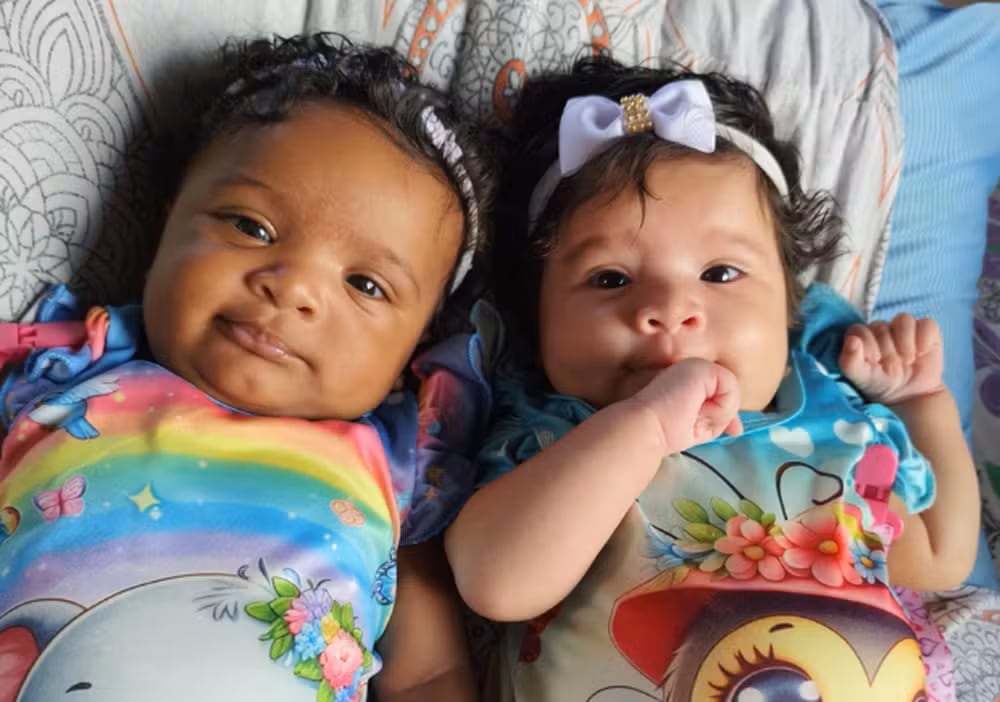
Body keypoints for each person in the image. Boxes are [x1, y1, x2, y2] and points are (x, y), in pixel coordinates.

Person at [444, 56, 980, 700]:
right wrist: (645, 428)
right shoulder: (556, 441)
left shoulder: (839, 431)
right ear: (539, 322)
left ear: (791, 310)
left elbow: (939, 561)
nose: (670, 309)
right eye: (610, 278)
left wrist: (923, 402)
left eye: (721, 273)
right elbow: (495, 585)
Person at [0, 33, 493, 702]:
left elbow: (428, 675)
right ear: (167, 224)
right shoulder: (64, 375)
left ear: (415, 347)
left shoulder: (397, 476)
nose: (293, 288)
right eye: (250, 227)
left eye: (365, 284)